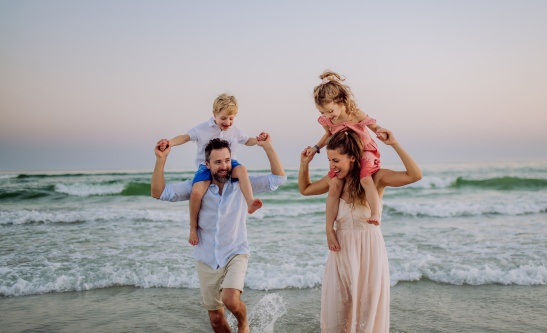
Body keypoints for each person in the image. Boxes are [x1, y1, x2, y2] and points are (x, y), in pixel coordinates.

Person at [151, 134, 286, 333]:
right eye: (218, 162)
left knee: (230, 300)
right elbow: (159, 192)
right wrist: (161, 159)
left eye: (227, 160)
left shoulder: (241, 181)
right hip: (205, 257)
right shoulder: (195, 187)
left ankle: (243, 322)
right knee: (216, 319)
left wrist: (267, 147)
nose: (224, 166)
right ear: (207, 164)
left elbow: (278, 179)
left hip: (235, 251)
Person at [299, 129, 422, 333]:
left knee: (367, 310)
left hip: (369, 253)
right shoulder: (334, 180)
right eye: (329, 161)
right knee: (340, 310)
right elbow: (305, 189)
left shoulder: (376, 178)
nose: (332, 166)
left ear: (353, 158)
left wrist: (395, 144)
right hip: (341, 252)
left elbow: (415, 175)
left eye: (336, 160)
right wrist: (304, 164)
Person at [156, 93, 266, 247]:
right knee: (196, 193)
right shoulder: (202, 128)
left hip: (228, 164)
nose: (227, 122)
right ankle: (193, 227)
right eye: (223, 118)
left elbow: (248, 141)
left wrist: (259, 140)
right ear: (214, 115)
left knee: (242, 169)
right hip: (205, 166)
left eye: (231, 118)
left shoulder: (236, 130)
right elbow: (186, 137)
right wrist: (170, 143)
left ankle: (250, 202)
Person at [305, 70, 387, 252]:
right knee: (334, 186)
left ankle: (375, 213)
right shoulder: (327, 120)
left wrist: (381, 130)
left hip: (365, 150)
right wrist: (316, 148)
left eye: (330, 111)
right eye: (322, 112)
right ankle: (330, 229)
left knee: (365, 178)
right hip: (345, 156)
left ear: (341, 102)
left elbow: (374, 126)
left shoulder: (355, 114)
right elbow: (327, 136)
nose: (327, 116)